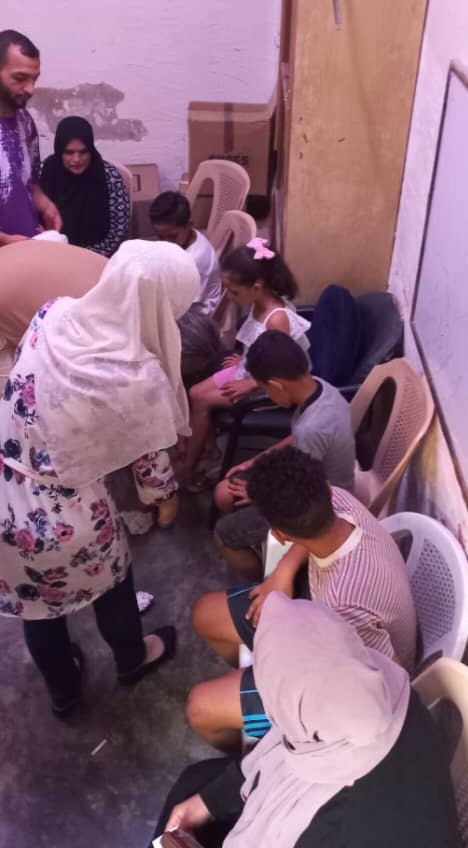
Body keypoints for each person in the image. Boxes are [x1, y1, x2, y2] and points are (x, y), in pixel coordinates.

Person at [0, 239, 200, 715]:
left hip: (7, 496)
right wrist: (164, 499)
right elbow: (151, 471)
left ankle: (64, 692)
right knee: (113, 586)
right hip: (71, 514)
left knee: (38, 606)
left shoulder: (52, 314)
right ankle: (133, 658)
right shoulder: (136, 375)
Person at [152, 593, 460, 848]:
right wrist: (205, 803)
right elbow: (275, 754)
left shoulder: (336, 828)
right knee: (192, 784)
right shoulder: (375, 689)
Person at [188, 447, 416, 750]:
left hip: (352, 677)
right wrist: (284, 569)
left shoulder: (345, 608)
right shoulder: (339, 501)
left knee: (200, 709)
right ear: (327, 489)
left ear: (279, 535)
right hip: (317, 616)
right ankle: (251, 675)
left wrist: (285, 671)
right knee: (205, 614)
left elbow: (389, 685)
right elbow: (313, 533)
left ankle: (257, 755)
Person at [214, 330, 356, 579]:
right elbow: (297, 438)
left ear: (277, 385)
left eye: (265, 390)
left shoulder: (312, 428)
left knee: (221, 533)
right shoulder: (322, 388)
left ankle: (269, 580)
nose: (267, 396)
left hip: (321, 505)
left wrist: (255, 492)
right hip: (309, 478)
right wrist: (257, 460)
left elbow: (302, 492)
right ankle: (266, 551)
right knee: (224, 492)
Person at [177, 240, 311, 490]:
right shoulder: (258, 303)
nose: (230, 297)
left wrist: (250, 385)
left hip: (267, 386)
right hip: (251, 369)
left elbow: (280, 369)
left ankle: (188, 468)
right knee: (194, 392)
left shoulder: (277, 320)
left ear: (256, 287)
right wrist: (246, 358)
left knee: (202, 401)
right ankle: (208, 448)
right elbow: (263, 348)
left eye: (234, 292)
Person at [0, 30, 62, 245]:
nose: (30, 89)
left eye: (34, 79)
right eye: (20, 78)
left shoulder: (25, 121)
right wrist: (5, 240)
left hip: (28, 247)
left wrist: (45, 205)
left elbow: (29, 182)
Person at [40, 116, 130, 257]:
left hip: (97, 256)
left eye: (83, 152)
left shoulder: (109, 176)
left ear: (91, 150)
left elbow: (118, 229)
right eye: (69, 152)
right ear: (59, 150)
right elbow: (34, 220)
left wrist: (83, 257)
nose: (76, 159)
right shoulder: (44, 173)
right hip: (52, 253)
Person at [150, 191, 222, 316]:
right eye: (160, 237)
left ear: (189, 225)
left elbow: (184, 309)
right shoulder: (183, 241)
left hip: (193, 316)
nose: (166, 243)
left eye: (172, 236)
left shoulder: (195, 262)